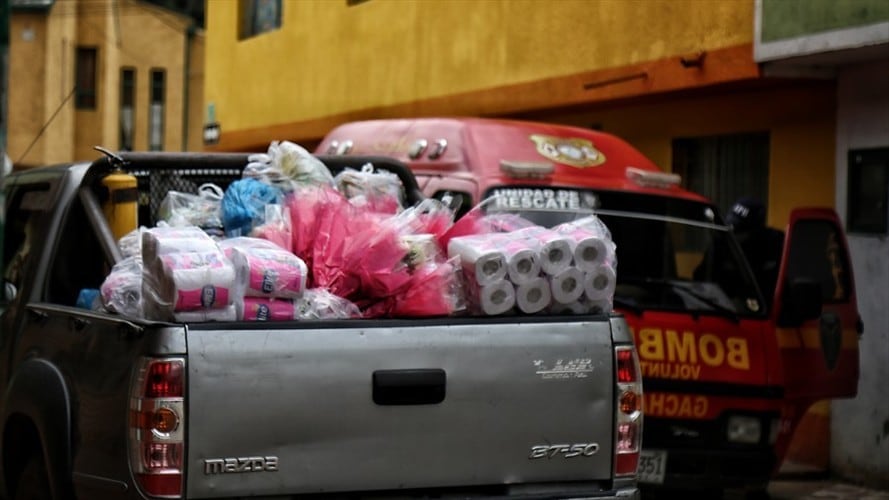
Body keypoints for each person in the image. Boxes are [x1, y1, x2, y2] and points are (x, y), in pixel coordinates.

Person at [724, 197, 785, 303]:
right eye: (730, 227)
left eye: (739, 230)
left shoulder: (775, 244)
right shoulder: (722, 243)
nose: (733, 233)